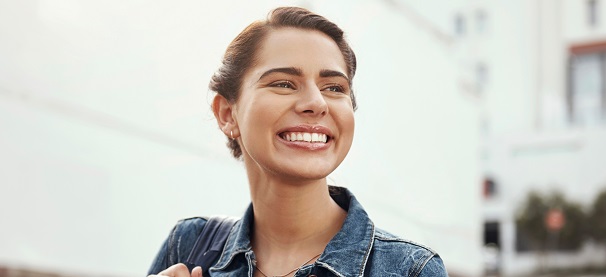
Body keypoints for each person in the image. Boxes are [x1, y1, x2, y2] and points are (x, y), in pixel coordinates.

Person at [147, 6, 448, 277]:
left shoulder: (410, 269)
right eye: (283, 84)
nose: (317, 103)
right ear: (227, 114)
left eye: (334, 87)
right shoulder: (188, 246)